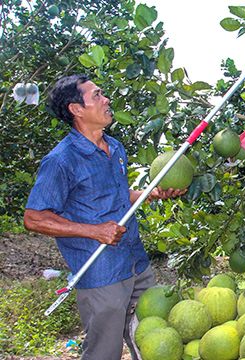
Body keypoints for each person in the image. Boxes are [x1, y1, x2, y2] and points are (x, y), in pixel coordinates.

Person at [23, 74, 186, 360]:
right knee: (104, 352)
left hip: (136, 263)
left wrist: (150, 193)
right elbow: (34, 218)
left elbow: (117, 194)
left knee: (153, 340)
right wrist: (93, 231)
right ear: (76, 109)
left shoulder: (115, 148)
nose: (106, 99)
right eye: (97, 95)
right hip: (102, 273)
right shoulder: (62, 160)